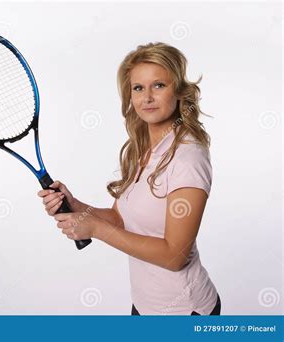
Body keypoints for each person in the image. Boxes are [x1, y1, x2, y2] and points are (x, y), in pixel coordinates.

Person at [37, 42, 221, 315]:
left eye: (158, 85)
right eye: (138, 88)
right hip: (145, 306)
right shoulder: (145, 149)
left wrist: (96, 230)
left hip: (185, 312)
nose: (147, 97)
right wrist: (77, 206)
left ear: (179, 91)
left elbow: (175, 256)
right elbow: (122, 219)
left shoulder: (187, 158)